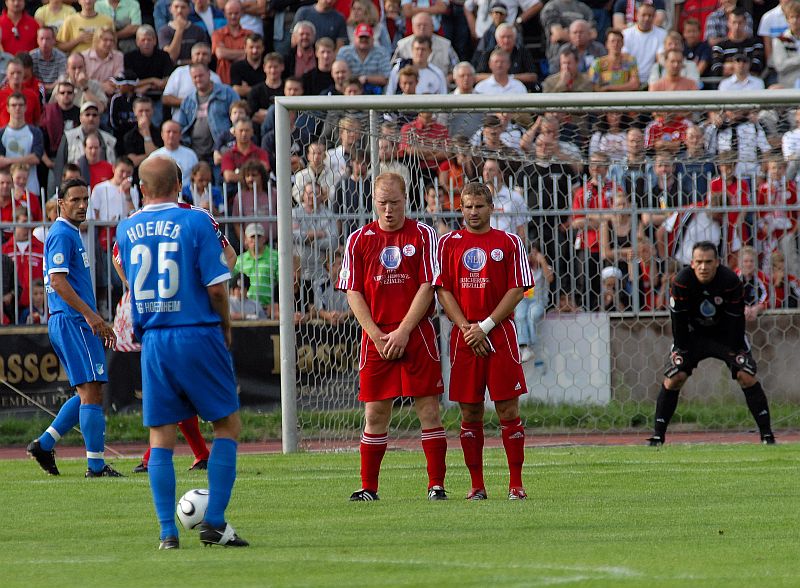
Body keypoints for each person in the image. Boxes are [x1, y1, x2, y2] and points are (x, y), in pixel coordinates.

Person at [115, 156, 248, 549]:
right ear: (179, 184)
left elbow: (129, 278)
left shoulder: (126, 229)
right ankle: (216, 524)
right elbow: (218, 287)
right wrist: (225, 325)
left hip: (154, 340)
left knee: (161, 437)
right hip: (196, 331)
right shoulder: (196, 220)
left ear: (141, 188)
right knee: (227, 426)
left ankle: (167, 534)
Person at [337, 171, 448, 501]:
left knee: (428, 409)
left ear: (406, 201)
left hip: (416, 335)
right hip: (376, 339)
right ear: (373, 202)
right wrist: (375, 334)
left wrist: (403, 330)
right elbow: (353, 291)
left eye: (395, 203)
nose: (388, 210)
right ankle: (369, 487)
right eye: (382, 203)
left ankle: (436, 485)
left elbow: (429, 285)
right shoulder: (359, 239)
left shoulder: (424, 235)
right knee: (375, 413)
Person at [435, 182, 533, 500]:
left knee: (507, 410)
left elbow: (518, 289)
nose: (473, 212)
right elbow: (443, 290)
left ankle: (516, 485)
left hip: (500, 333)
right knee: (470, 413)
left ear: (492, 207)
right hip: (464, 336)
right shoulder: (448, 243)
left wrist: (486, 325)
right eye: (467, 206)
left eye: (479, 206)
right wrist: (467, 327)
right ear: (460, 208)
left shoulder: (509, 242)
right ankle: (477, 486)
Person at [26, 178, 120, 478]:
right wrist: (92, 317)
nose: (82, 205)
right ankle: (95, 466)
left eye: (85, 199)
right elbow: (57, 281)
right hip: (74, 322)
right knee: (92, 391)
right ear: (60, 202)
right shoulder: (62, 234)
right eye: (75, 200)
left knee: (85, 391)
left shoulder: (69, 233)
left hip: (68, 320)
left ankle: (44, 444)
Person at [648, 240, 776, 446]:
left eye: (708, 262)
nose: (703, 267)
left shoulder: (730, 280)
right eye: (699, 262)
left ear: (717, 262)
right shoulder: (681, 281)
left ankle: (767, 436)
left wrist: (735, 353)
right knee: (675, 376)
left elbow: (737, 319)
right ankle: (657, 436)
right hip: (692, 336)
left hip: (725, 336)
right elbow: (677, 321)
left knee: (746, 375)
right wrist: (681, 349)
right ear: (691, 263)